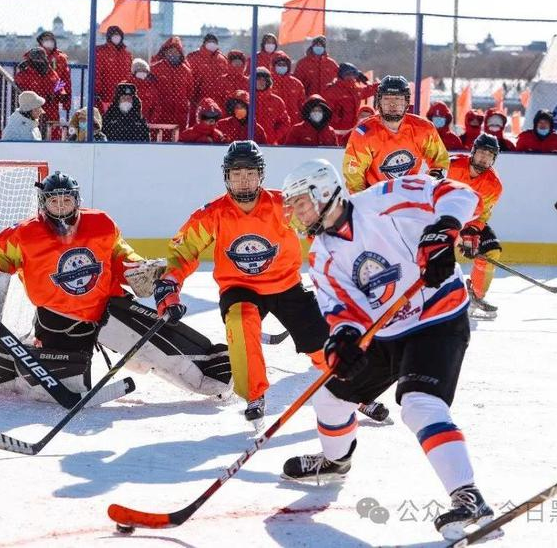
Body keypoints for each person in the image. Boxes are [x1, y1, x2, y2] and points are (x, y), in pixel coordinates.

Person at [281, 159, 495, 541]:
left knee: (418, 404)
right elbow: (342, 312)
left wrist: (443, 231)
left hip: (437, 317)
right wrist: (343, 341)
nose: (297, 214)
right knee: (330, 399)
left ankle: (468, 496)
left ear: (325, 192)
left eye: (301, 204)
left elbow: (460, 194)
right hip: (386, 332)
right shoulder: (322, 255)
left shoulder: (383, 198)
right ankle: (335, 461)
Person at [152, 142, 388, 424]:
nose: (243, 180)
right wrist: (170, 283)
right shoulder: (213, 213)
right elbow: (183, 251)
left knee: (321, 341)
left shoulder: (283, 205)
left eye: (250, 173)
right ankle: (254, 394)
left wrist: (350, 266)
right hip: (239, 288)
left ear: (261, 175)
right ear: (226, 176)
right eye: (237, 173)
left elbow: (321, 234)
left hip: (286, 286)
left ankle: (356, 392)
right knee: (241, 320)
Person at [0, 171, 143, 398]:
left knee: (155, 338)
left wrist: (139, 269)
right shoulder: (25, 233)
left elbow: (121, 256)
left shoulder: (102, 223)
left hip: (108, 309)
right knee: (72, 379)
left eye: (66, 200)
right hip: (58, 319)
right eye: (53, 201)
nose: (60, 207)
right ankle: (9, 359)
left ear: (77, 201)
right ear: (43, 202)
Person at [343, 75, 450, 194]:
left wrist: (430, 184)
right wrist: (364, 201)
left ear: (406, 102)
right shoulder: (364, 133)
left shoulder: (424, 129)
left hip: (410, 196)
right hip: (376, 197)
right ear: (379, 101)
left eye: (398, 99)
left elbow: (441, 160)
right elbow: (353, 175)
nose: (392, 104)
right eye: (387, 98)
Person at [447, 134, 503, 318]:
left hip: (468, 221)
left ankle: (476, 296)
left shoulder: (494, 185)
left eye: (490, 155)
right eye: (481, 152)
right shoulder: (450, 165)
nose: (484, 157)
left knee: (492, 249)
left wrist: (471, 231)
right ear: (473, 152)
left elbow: (483, 214)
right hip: (439, 216)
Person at [14, 47, 66, 138]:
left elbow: (60, 86)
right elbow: (20, 86)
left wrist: (57, 95)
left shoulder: (51, 72)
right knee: (33, 132)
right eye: (36, 58)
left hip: (51, 107)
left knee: (52, 133)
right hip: (32, 109)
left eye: (41, 57)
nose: (39, 60)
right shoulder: (24, 73)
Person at [324, 63, 378, 144]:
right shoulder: (332, 90)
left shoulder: (355, 89)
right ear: (341, 75)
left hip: (352, 129)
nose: (351, 77)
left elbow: (370, 90)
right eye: (348, 74)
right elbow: (328, 112)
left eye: (353, 74)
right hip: (337, 129)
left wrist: (384, 84)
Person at [151, 36, 195, 135]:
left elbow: (189, 92)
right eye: (170, 51)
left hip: (180, 115)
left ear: (180, 53)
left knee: (179, 142)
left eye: (176, 51)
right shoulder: (155, 69)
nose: (173, 54)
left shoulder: (186, 71)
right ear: (165, 53)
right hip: (161, 114)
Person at [186, 33, 228, 122]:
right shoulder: (193, 57)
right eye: (209, 41)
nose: (212, 44)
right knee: (196, 125)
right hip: (197, 100)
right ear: (204, 43)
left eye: (214, 42)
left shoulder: (222, 59)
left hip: (218, 101)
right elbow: (188, 78)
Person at [95, 26, 133, 113]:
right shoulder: (101, 52)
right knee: (107, 120)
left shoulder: (127, 54)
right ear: (109, 36)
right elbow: (97, 73)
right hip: (106, 95)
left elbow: (130, 74)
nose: (116, 37)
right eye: (114, 35)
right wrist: (97, 91)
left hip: (124, 96)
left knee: (121, 122)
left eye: (118, 35)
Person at [36, 30, 72, 118]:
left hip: (53, 98)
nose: (48, 42)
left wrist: (56, 92)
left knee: (53, 122)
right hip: (37, 96)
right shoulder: (35, 56)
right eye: (45, 40)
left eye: (51, 40)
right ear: (41, 42)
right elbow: (30, 76)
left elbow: (64, 79)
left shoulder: (61, 58)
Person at [254, 67, 291, 145]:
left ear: (268, 82)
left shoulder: (277, 101)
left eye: (264, 80)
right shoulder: (247, 99)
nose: (261, 82)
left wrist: (273, 136)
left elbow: (285, 123)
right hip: (249, 141)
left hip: (270, 143)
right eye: (258, 79)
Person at [270, 52, 306, 125]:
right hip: (273, 122)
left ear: (288, 67)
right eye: (279, 65)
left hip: (293, 122)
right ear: (274, 66)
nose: (282, 67)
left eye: (284, 65)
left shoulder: (296, 84)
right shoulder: (268, 82)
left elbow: (302, 105)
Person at [129, 58, 160, 125]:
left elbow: (156, 107)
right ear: (134, 71)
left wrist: (150, 123)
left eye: (144, 70)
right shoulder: (127, 85)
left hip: (147, 124)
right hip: (129, 124)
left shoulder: (151, 87)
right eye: (139, 70)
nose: (142, 72)